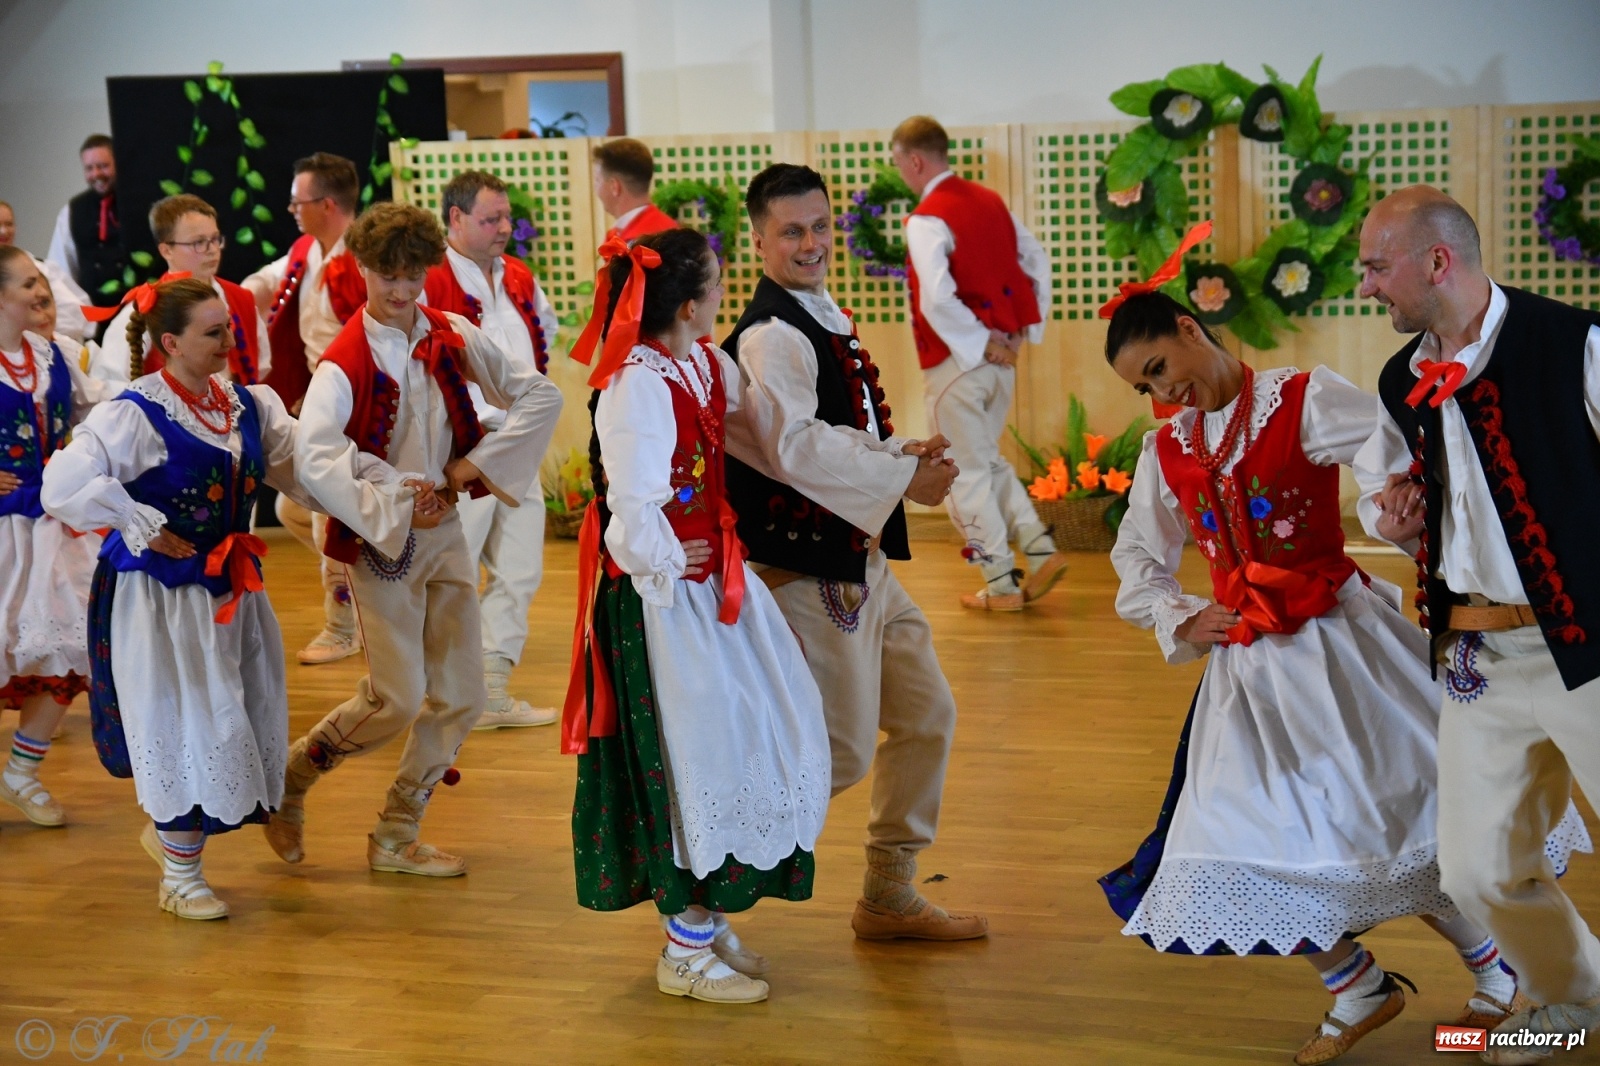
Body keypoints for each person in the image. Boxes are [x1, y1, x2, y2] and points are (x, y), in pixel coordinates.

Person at [1100, 227, 1589, 1065]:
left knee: (1402, 810)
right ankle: (1356, 983)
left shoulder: (1301, 398)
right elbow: (1137, 554)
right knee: (1244, 833)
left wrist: (1390, 508)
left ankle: (1497, 969)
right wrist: (1180, 614)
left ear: (1189, 329)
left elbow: (1392, 450)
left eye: (1156, 369)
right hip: (1250, 667)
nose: (1160, 394)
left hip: (1343, 642)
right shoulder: (1167, 450)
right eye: (1143, 386)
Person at [1353, 185, 1600, 1063]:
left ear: (1437, 261)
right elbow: (1387, 495)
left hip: (1590, 640)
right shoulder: (1399, 379)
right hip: (1477, 655)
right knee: (1477, 869)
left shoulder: (1573, 343)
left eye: (1376, 266)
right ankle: (1574, 1000)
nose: (1365, 285)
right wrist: (1397, 519)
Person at [563, 226, 830, 1004]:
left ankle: (705, 924)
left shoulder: (702, 362)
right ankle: (682, 947)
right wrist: (676, 562)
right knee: (691, 755)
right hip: (660, 599)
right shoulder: (636, 383)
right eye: (717, 283)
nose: (726, 292)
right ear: (689, 302)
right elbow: (629, 511)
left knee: (752, 736)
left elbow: (774, 434)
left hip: (713, 589)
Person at [720, 163, 985, 941]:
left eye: (820, 226)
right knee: (834, 752)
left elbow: (824, 437)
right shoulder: (772, 335)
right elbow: (794, 451)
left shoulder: (817, 314)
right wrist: (906, 474)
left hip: (860, 563)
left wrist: (899, 451)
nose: (812, 244)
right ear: (760, 239)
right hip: (811, 567)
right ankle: (703, 896)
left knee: (927, 714)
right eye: (793, 231)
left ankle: (887, 892)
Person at [265, 201, 562, 878]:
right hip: (382, 544)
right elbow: (315, 458)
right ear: (363, 270)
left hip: (447, 529)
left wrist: (469, 469)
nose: (401, 290)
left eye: (413, 274)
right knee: (395, 698)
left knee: (463, 694)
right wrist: (394, 503)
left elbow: (540, 395)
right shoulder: (343, 363)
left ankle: (397, 831)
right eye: (387, 275)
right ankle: (293, 780)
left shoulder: (450, 332)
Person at [42, 276, 308, 919]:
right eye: (213, 332)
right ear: (170, 342)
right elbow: (64, 480)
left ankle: (176, 854)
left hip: (230, 588)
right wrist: (138, 521)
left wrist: (382, 493)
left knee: (234, 714)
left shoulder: (247, 404)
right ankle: (180, 877)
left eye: (229, 329)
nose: (228, 341)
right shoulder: (135, 412)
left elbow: (308, 467)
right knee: (186, 722)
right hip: (159, 599)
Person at [891, 116, 1064, 611]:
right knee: (986, 461)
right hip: (1000, 363)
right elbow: (1037, 259)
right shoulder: (990, 202)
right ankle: (1038, 548)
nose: (902, 172)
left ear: (915, 160)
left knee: (961, 471)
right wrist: (1022, 331)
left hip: (957, 364)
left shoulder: (928, 217)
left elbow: (936, 297)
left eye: (900, 163)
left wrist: (977, 342)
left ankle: (1001, 583)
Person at [423, 170, 559, 729]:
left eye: (506, 217)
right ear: (455, 219)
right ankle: (444, 690)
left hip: (517, 441)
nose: (504, 227)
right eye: (490, 218)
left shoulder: (520, 278)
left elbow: (541, 345)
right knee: (453, 569)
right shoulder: (430, 279)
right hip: (460, 447)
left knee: (520, 567)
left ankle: (492, 687)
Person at [241, 152, 366, 665]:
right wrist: (221, 294)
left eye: (300, 200)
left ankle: (342, 625)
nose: (292, 208)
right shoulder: (307, 250)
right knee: (293, 507)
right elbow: (265, 283)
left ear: (329, 204)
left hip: (357, 400)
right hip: (321, 396)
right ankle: (371, 593)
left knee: (323, 514)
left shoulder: (362, 258)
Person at [0, 246, 104, 829]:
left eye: (41, 282)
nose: (40, 293)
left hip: (52, 528)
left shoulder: (58, 355)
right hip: (2, 531)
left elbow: (103, 418)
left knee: (71, 645)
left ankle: (20, 771)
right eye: (26, 284)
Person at [86, 194, 270, 391]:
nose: (212, 250)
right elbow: (112, 383)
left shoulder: (241, 299)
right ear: (166, 250)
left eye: (215, 239)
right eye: (198, 242)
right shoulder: (148, 307)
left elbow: (261, 365)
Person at [46, 135, 127, 309]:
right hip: (93, 314)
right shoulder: (72, 210)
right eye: (89, 168)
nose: (96, 174)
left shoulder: (137, 205)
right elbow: (61, 269)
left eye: (103, 166)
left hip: (137, 312)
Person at [0, 200, 91, 343]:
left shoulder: (36, 266)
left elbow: (76, 315)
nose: (3, 231)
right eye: (28, 285)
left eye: (8, 224)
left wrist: (38, 331)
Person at [592, 139, 677, 243]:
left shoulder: (642, 246)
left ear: (614, 187)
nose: (596, 188)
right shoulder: (669, 231)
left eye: (597, 180)